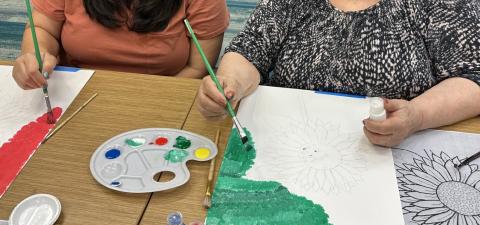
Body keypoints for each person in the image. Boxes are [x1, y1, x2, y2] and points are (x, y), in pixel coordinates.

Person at [196, 0, 480, 147]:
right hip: (287, 148)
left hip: (394, 154)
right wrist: (230, 83)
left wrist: (417, 115)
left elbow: (472, 79)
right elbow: (250, 50)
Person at [13, 0, 229, 89]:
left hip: (162, 97)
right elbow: (42, 29)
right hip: (73, 93)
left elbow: (198, 68)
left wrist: (140, 99)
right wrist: (35, 55)